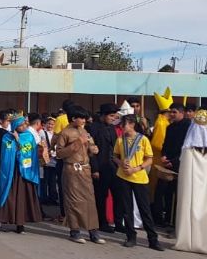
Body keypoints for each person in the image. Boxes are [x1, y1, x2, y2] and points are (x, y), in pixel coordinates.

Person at [174, 110, 207, 255]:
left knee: (192, 202)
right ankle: (205, 240)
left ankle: (191, 239)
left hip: (194, 187)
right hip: (203, 188)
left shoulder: (188, 150)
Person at [113, 115, 164, 251]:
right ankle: (131, 236)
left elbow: (149, 159)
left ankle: (153, 239)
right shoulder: (120, 140)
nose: (121, 128)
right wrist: (120, 162)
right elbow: (115, 156)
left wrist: (137, 168)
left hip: (139, 178)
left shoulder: (143, 140)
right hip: (123, 177)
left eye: (123, 125)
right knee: (127, 208)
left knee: (145, 209)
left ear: (131, 124)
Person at [55, 106, 105, 244]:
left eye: (84, 118)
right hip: (72, 169)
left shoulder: (85, 131)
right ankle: (75, 231)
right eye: (81, 118)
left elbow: (90, 147)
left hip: (85, 169)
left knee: (90, 200)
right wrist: (78, 142)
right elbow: (59, 153)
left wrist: (93, 148)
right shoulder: (65, 133)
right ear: (73, 119)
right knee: (73, 200)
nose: (84, 120)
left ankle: (93, 231)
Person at [0, 114, 41, 234]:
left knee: (22, 198)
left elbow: (27, 153)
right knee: (7, 196)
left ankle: (20, 224)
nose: (25, 126)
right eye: (22, 124)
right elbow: (6, 155)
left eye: (25, 123)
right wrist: (14, 141)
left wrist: (18, 141)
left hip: (24, 172)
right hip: (10, 172)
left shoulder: (29, 137)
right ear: (15, 126)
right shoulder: (7, 137)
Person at [88, 103, 124, 233]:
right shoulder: (93, 128)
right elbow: (91, 151)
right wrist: (95, 169)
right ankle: (101, 222)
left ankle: (119, 222)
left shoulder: (112, 128)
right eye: (111, 116)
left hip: (113, 166)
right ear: (103, 115)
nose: (114, 118)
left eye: (115, 116)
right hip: (100, 167)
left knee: (118, 195)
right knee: (101, 196)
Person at [153, 103, 190, 226]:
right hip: (167, 163)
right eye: (171, 112)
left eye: (174, 112)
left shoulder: (188, 126)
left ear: (182, 113)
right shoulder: (170, 127)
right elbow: (165, 144)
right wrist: (163, 155)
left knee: (178, 193)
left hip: (181, 163)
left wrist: (173, 161)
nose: (172, 115)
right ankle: (165, 219)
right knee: (164, 192)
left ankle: (176, 221)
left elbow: (186, 147)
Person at [39, 116, 59, 206]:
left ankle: (53, 198)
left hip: (54, 160)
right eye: (49, 124)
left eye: (52, 124)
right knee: (44, 180)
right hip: (46, 160)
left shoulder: (55, 134)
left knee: (53, 180)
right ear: (45, 124)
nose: (50, 125)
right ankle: (44, 198)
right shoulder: (42, 132)